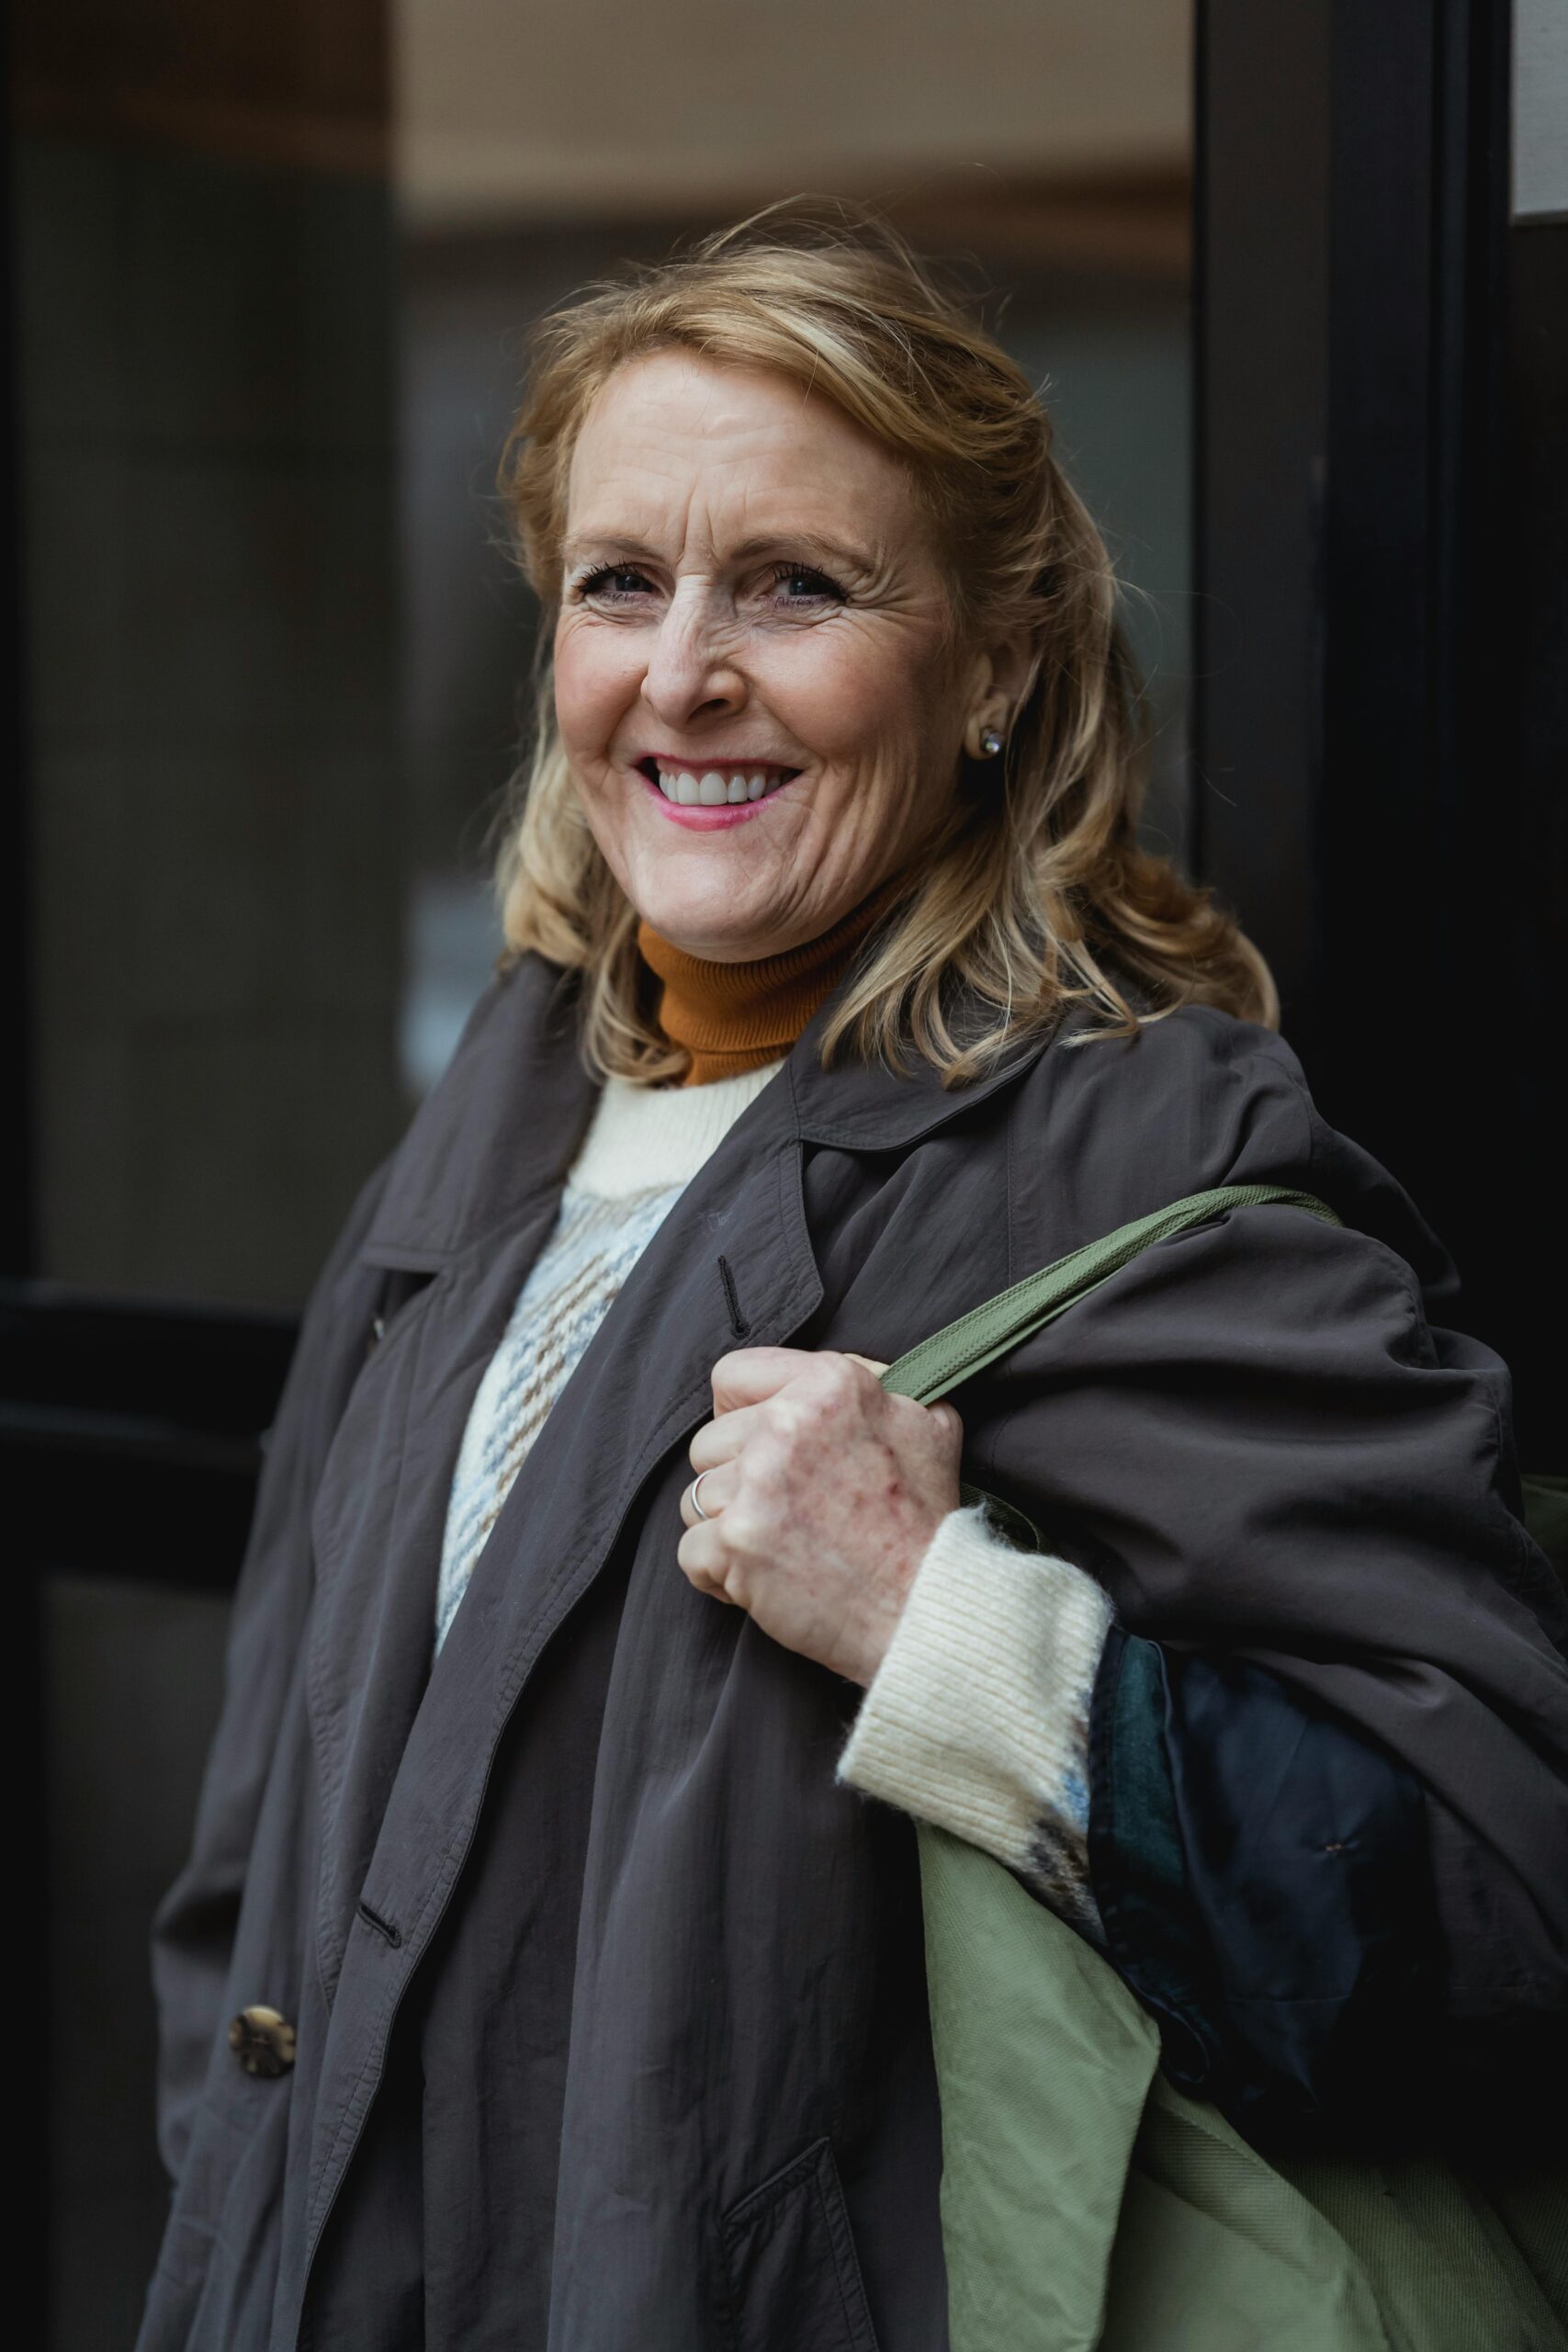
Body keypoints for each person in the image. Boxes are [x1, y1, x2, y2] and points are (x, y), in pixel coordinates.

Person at [140, 209, 1568, 2352]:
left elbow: (1494, 1915)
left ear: (993, 661)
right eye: (620, 581)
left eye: (794, 585)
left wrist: (946, 1626)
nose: (682, 669)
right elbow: (256, 1874)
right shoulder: (492, 1124)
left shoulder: (1137, 1162)